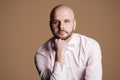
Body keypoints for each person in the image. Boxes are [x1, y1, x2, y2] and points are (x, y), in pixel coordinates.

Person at [35, 4, 102, 80]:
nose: (61, 26)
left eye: (66, 21)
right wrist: (59, 54)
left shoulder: (91, 46)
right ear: (50, 25)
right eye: (56, 22)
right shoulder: (41, 53)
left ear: (74, 24)